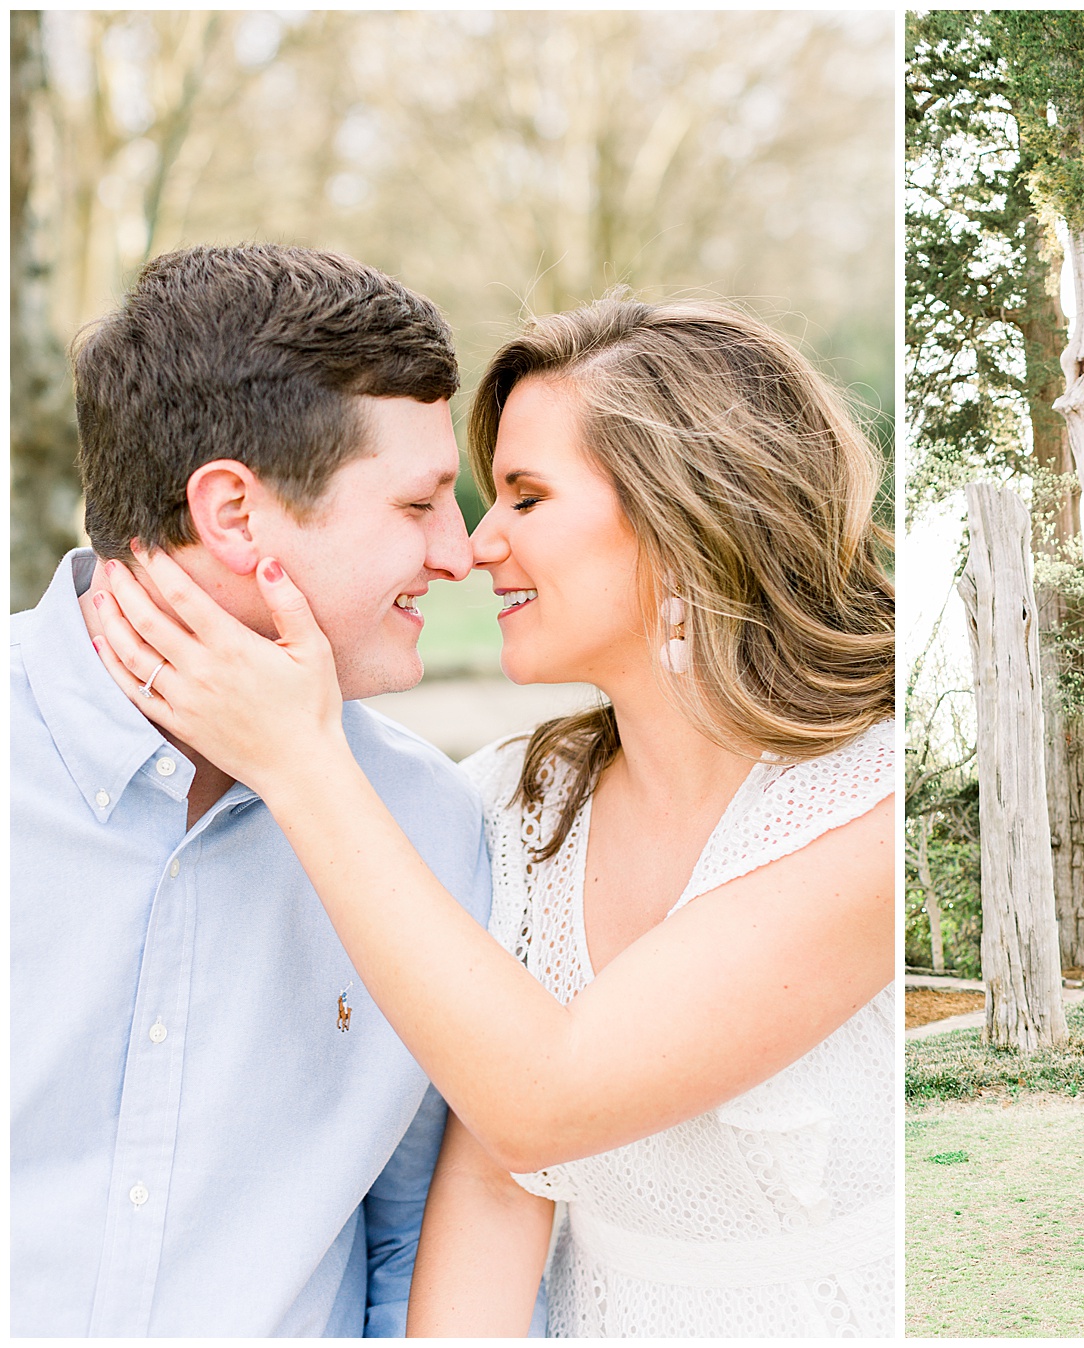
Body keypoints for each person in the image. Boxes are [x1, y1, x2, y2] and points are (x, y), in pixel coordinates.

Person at [91, 297, 898, 1336]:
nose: (476, 546)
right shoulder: (512, 802)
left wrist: (299, 754)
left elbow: (548, 1100)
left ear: (684, 518)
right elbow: (499, 1181)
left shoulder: (867, 806)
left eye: (524, 497)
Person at [11, 244, 491, 1335]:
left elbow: (414, 1238)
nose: (459, 551)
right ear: (233, 512)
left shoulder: (429, 821)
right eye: (418, 504)